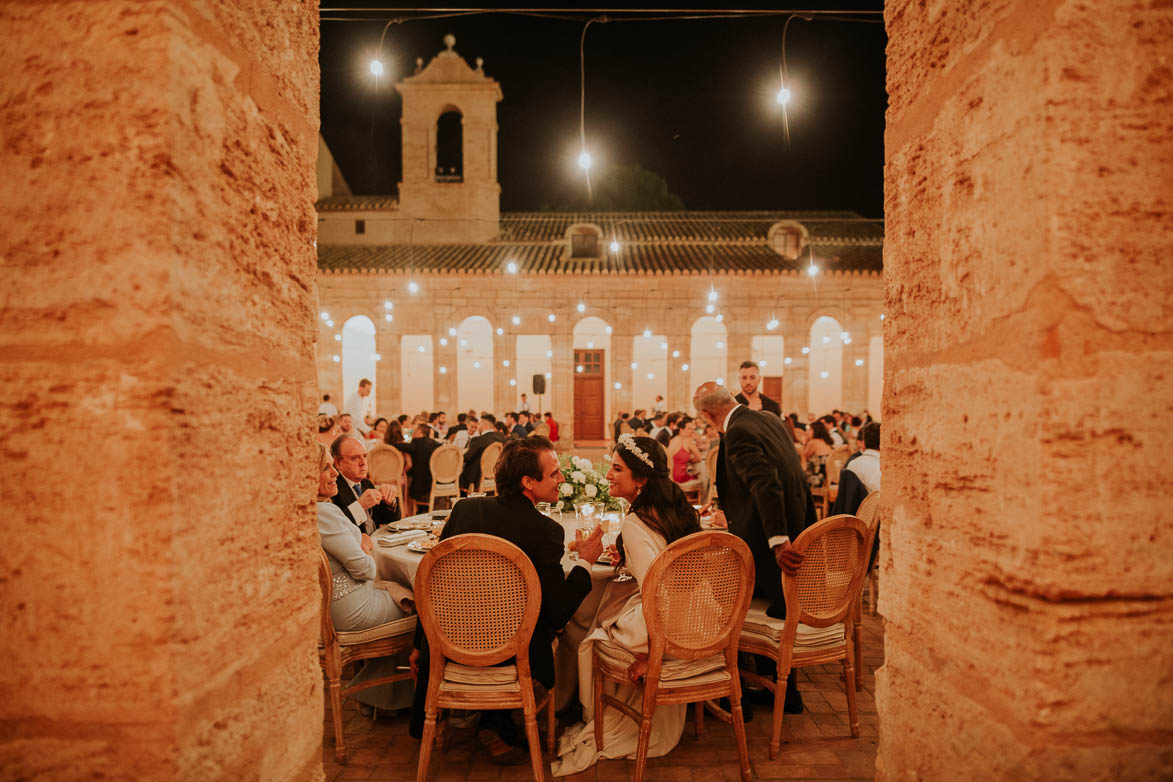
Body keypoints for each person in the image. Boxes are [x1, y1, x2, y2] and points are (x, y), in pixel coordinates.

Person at [409, 437, 605, 764]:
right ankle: (500, 720)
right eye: (554, 473)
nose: (561, 480)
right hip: (515, 656)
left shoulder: (464, 511)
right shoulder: (545, 531)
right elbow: (558, 614)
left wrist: (421, 642)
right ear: (528, 482)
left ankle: (492, 722)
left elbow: (433, 588)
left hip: (451, 647)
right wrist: (585, 562)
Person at [553, 434, 703, 775]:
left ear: (641, 479)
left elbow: (657, 589)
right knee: (602, 608)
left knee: (588, 628)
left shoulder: (636, 523)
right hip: (699, 613)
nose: (608, 475)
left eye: (617, 469)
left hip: (663, 619)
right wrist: (628, 559)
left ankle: (587, 708)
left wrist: (653, 653)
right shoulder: (674, 509)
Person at [693, 382, 815, 715]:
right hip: (798, 530)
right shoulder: (769, 420)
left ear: (708, 415)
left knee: (718, 595)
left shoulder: (738, 433)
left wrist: (778, 541)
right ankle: (784, 691)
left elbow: (766, 482)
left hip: (775, 546)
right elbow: (789, 476)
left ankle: (733, 694)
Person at [316, 444, 415, 714]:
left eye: (364, 456)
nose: (334, 473)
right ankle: (415, 696)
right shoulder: (324, 511)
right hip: (351, 608)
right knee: (424, 605)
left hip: (341, 602)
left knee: (405, 593)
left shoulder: (319, 509)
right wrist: (365, 546)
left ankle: (382, 695)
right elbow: (365, 569)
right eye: (327, 467)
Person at [331, 435, 401, 533]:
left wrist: (390, 502)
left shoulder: (365, 483)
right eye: (355, 458)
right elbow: (335, 527)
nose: (363, 462)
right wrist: (360, 506)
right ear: (338, 463)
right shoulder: (333, 488)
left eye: (364, 456)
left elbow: (387, 520)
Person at [460, 414, 508, 491]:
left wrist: (458, 455)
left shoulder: (478, 440)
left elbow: (466, 458)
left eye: (479, 424)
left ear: (485, 426)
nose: (478, 426)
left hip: (476, 478)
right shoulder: (501, 437)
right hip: (496, 475)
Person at [403, 422, 441, 510]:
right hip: (436, 482)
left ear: (419, 432)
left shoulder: (416, 442)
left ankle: (408, 510)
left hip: (420, 488)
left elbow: (401, 446)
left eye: (414, 430)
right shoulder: (438, 445)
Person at [666, 416, 703, 484]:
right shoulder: (688, 441)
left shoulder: (673, 440)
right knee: (701, 477)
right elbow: (699, 458)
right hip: (680, 477)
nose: (691, 431)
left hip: (670, 476)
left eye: (692, 429)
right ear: (681, 429)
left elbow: (668, 459)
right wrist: (689, 460)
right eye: (689, 429)